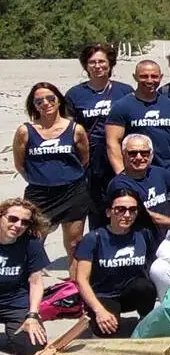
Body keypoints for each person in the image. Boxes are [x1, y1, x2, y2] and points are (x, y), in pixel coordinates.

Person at [14, 83, 90, 262]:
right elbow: (20, 164)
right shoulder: (25, 131)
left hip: (73, 192)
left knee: (74, 245)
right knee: (33, 242)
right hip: (39, 195)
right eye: (39, 101)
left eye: (50, 98)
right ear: (34, 105)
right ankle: (30, 286)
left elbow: (84, 159)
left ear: (58, 101)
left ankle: (74, 286)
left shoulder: (75, 129)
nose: (45, 103)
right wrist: (41, 179)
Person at [67, 43, 135, 229]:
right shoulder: (75, 94)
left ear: (110, 64)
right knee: (96, 206)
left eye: (102, 62)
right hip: (91, 158)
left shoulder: (125, 91)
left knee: (124, 199)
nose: (98, 66)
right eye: (92, 62)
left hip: (121, 155)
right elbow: (68, 129)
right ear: (86, 65)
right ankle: (99, 243)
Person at [73, 189, 157, 338]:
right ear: (108, 212)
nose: (126, 215)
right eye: (120, 209)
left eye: (132, 210)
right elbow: (81, 279)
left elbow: (154, 266)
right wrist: (99, 311)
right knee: (107, 331)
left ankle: (147, 318)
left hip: (132, 292)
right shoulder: (94, 238)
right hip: (104, 295)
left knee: (145, 286)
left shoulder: (143, 234)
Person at [106, 60, 170, 180]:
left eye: (154, 76)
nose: (149, 80)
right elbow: (113, 143)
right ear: (135, 77)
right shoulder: (122, 106)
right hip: (137, 174)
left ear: (161, 77)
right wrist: (122, 174)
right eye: (144, 76)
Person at [107, 134, 170, 232]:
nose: (139, 157)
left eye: (144, 153)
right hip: (138, 240)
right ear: (124, 154)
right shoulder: (119, 185)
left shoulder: (158, 172)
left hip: (162, 237)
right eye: (133, 153)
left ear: (151, 154)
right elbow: (148, 217)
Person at [0, 199, 49, 355]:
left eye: (25, 222)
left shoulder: (31, 243)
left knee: (34, 346)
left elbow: (35, 282)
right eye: (13, 219)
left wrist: (33, 315)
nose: (18, 225)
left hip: (16, 303)